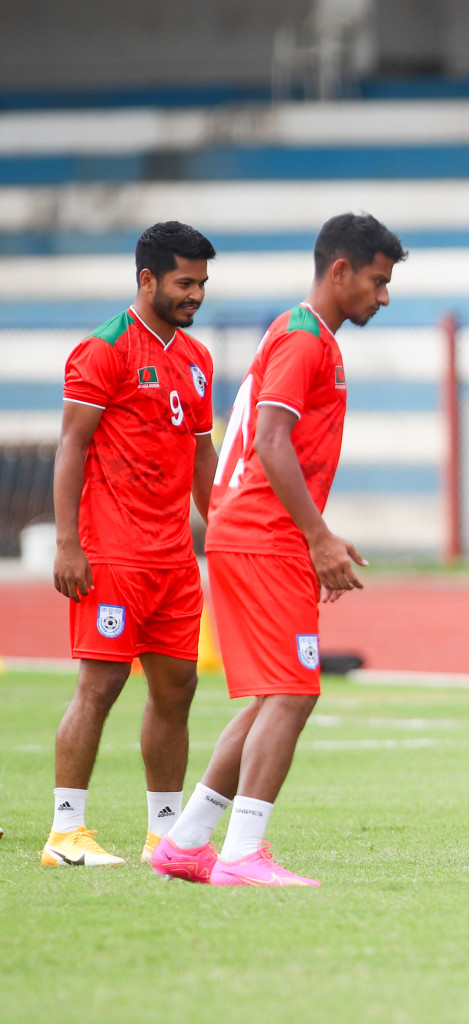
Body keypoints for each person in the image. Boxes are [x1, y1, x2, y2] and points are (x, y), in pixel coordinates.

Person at [151, 213, 406, 887]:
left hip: (258, 531)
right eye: (378, 281)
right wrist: (315, 535)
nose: (384, 296)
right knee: (293, 692)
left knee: (273, 696)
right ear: (340, 270)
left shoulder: (309, 336)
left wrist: (317, 531)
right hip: (261, 535)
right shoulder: (303, 340)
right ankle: (242, 854)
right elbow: (269, 441)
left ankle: (188, 840)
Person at [43, 221, 218, 869]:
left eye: (202, 282)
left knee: (177, 688)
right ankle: (66, 834)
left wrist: (220, 532)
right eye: (184, 282)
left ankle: (164, 835)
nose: (196, 294)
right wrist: (68, 542)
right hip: (112, 553)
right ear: (147, 280)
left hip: (173, 558)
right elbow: (72, 447)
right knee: (102, 684)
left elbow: (203, 459)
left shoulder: (197, 360)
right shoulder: (104, 350)